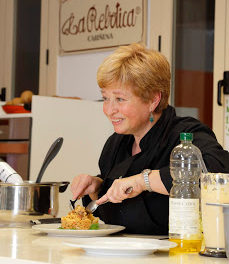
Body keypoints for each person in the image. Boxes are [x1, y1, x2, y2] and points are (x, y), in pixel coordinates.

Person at [71, 43, 229, 235]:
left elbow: (215, 172)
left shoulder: (187, 135)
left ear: (153, 100)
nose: (109, 110)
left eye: (120, 99)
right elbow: (114, 213)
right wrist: (97, 187)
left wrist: (143, 181)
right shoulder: (116, 144)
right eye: (105, 98)